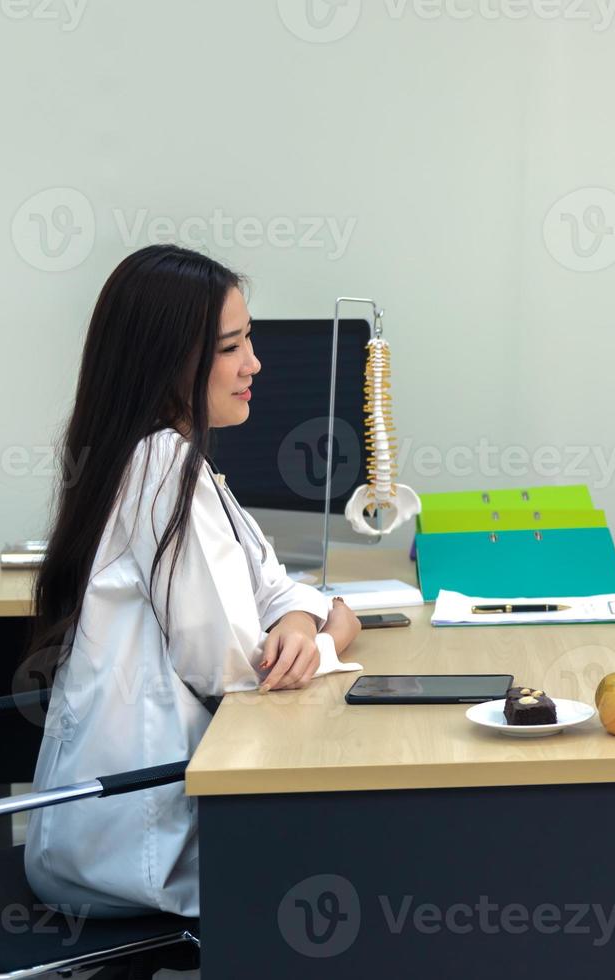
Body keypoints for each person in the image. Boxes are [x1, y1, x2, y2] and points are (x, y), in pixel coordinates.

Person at [22, 244, 363, 917]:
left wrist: (297, 619)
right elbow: (235, 670)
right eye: (232, 347)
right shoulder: (160, 468)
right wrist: (333, 639)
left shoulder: (164, 458)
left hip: (110, 827)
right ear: (169, 362)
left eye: (250, 341)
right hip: (131, 855)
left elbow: (269, 580)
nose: (254, 365)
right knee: (363, 863)